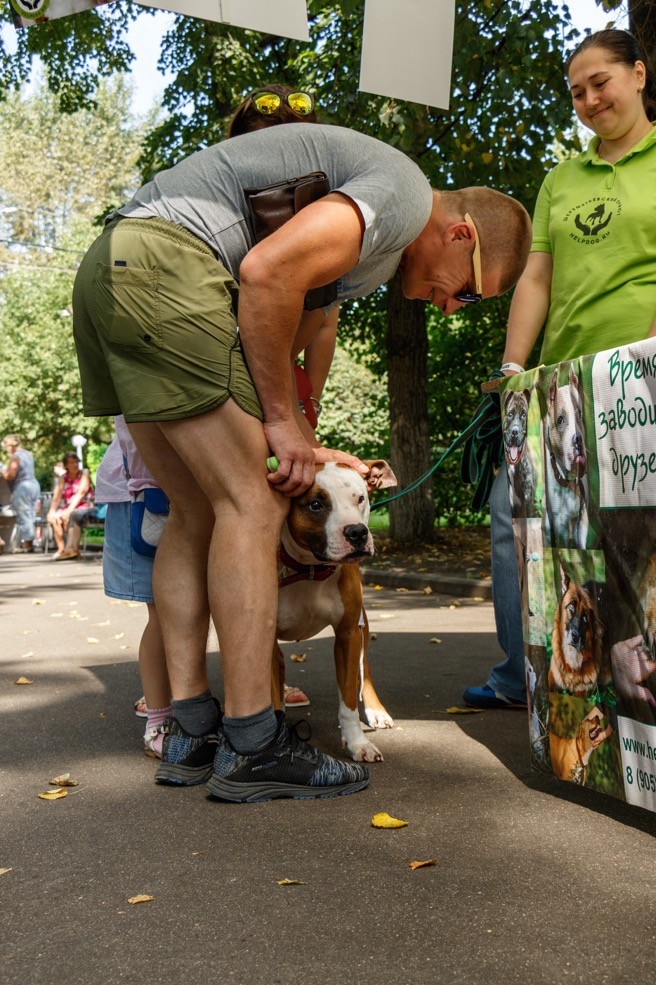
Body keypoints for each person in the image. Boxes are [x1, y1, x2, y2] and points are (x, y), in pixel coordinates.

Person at [72, 113, 532, 802]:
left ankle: (191, 730)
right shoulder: (402, 197)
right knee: (250, 503)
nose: (449, 307)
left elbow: (276, 323)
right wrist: (282, 425)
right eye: (464, 289)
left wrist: (292, 432)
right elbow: (264, 273)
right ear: (459, 234)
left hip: (113, 267)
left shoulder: (371, 246)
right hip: (170, 267)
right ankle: (254, 739)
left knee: (196, 512)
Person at [463, 28, 656, 710]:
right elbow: (537, 277)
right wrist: (515, 368)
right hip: (560, 387)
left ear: (638, 74)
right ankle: (523, 674)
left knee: (635, 531)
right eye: (576, 91)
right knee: (512, 518)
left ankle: (628, 681)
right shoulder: (561, 180)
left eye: (600, 82)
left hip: (643, 381)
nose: (588, 99)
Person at [96, 415, 172, 757]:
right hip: (146, 487)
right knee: (164, 612)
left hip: (180, 481)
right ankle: (160, 716)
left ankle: (256, 700)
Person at [47, 451, 93, 560]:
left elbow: (82, 492)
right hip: (68, 507)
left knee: (70, 515)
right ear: (66, 465)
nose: (75, 465)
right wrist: (51, 511)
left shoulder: (84, 473)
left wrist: (68, 510)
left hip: (83, 505)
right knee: (54, 518)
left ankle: (70, 549)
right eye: (71, 462)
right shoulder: (63, 477)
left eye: (76, 462)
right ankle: (62, 549)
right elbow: (57, 496)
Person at [0, 434, 41, 553]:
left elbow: (10, 475)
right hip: (34, 484)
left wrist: (1, 467)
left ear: (11, 445)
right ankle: (29, 543)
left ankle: (27, 544)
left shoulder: (15, 457)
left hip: (23, 486)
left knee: (24, 515)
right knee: (31, 514)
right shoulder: (28, 454)